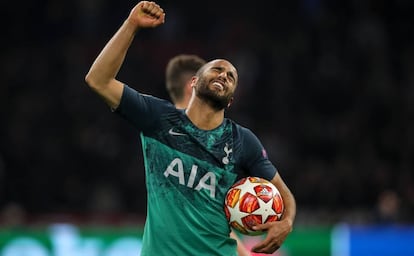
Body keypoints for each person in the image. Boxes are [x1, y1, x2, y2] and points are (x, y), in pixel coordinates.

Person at [85, 1, 296, 255]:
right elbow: (98, 79)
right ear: (194, 82)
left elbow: (284, 195)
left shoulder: (242, 140)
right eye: (217, 69)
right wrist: (131, 24)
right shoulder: (158, 118)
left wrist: (286, 222)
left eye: (231, 77)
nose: (224, 76)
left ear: (230, 100)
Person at [165, 54, 251, 256]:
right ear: (191, 85)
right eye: (213, 75)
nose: (221, 80)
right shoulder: (172, 139)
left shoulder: (161, 131)